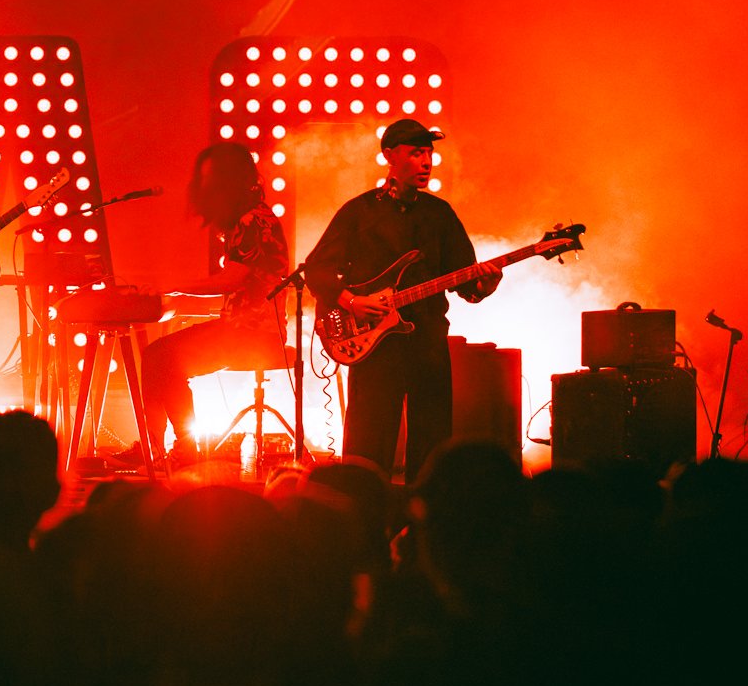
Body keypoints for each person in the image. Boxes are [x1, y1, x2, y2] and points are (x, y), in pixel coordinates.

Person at [304, 118, 497, 483]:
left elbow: (466, 282)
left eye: (429, 154)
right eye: (416, 153)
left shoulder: (440, 214)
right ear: (390, 156)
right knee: (368, 440)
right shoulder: (360, 212)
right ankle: (361, 507)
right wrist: (351, 301)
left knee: (433, 440)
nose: (426, 162)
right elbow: (316, 269)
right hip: (375, 345)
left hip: (428, 339)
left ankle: (426, 507)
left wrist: (485, 285)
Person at [141, 142, 292, 462]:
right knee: (159, 356)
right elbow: (240, 287)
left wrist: (172, 287)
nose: (204, 186)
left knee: (160, 357)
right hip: (242, 331)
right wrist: (179, 301)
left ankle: (173, 448)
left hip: (254, 336)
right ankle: (161, 447)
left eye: (210, 178)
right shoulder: (246, 221)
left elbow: (230, 281)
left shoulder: (253, 221)